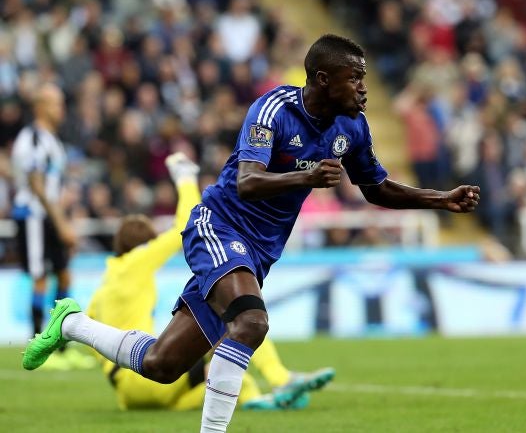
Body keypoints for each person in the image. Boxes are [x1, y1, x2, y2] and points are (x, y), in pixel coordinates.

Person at [23, 34, 481, 432]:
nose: (364, 87)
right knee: (251, 322)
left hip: (257, 252)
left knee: (163, 364)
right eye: (354, 77)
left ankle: (71, 323)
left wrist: (441, 199)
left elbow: (376, 187)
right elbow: (248, 181)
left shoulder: (353, 126)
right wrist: (306, 177)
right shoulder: (273, 109)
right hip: (218, 225)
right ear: (324, 79)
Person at [86, 152, 334, 411]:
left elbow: (94, 331)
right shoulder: (137, 260)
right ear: (144, 243)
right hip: (146, 377)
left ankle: (256, 400)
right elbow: (183, 223)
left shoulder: (105, 283)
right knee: (239, 317)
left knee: (210, 375)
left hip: (127, 393)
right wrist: (185, 178)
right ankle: (279, 379)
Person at [11, 83, 94, 370]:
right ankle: (37, 345)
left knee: (64, 274)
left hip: (51, 216)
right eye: (55, 103)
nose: (61, 109)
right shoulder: (33, 138)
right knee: (40, 277)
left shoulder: (51, 139)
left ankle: (62, 347)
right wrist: (61, 224)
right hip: (34, 216)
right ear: (40, 107)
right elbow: (36, 184)